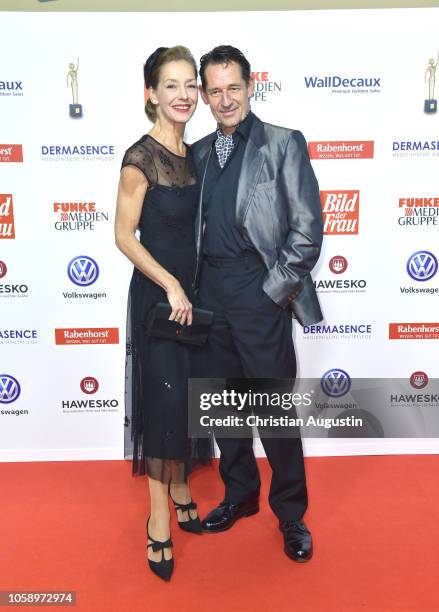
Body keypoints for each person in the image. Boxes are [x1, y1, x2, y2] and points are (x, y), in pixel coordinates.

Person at [191, 45, 323, 562]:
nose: (225, 99)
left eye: (234, 88)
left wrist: (272, 295)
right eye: (215, 90)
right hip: (209, 298)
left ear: (251, 86)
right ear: (204, 94)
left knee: (273, 413)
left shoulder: (283, 143)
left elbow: (306, 231)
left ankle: (291, 514)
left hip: (259, 293)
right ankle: (239, 494)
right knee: (224, 412)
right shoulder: (198, 153)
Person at [115, 46, 211, 581]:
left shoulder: (194, 155)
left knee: (188, 399)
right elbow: (123, 236)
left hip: (194, 300)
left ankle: (179, 487)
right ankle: (158, 521)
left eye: (189, 84)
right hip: (158, 298)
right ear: (151, 93)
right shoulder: (140, 158)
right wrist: (171, 283)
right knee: (162, 404)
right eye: (171, 85)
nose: (184, 95)